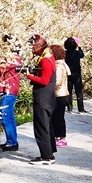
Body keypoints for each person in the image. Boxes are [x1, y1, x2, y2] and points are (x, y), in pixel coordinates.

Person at [24, 33, 56, 163]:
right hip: (48, 98)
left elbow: (44, 80)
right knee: (47, 126)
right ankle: (49, 153)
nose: (32, 49)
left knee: (41, 127)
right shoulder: (49, 58)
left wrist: (28, 76)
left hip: (43, 98)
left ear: (38, 46)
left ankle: (46, 156)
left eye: (33, 46)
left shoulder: (46, 60)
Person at [0, 39, 22, 152]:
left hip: (9, 91)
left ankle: (12, 142)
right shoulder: (13, 59)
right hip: (8, 90)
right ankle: (11, 141)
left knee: (4, 116)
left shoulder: (13, 60)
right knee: (9, 116)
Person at [50, 43, 70, 148]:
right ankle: (58, 136)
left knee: (58, 117)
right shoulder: (62, 64)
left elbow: (57, 82)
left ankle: (61, 138)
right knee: (58, 117)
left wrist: (49, 87)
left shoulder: (58, 66)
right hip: (63, 94)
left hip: (59, 95)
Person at [63, 36, 86, 113]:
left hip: (69, 75)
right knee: (79, 92)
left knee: (69, 91)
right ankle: (81, 108)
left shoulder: (65, 53)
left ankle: (69, 106)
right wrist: (79, 47)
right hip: (77, 75)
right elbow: (82, 55)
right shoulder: (77, 53)